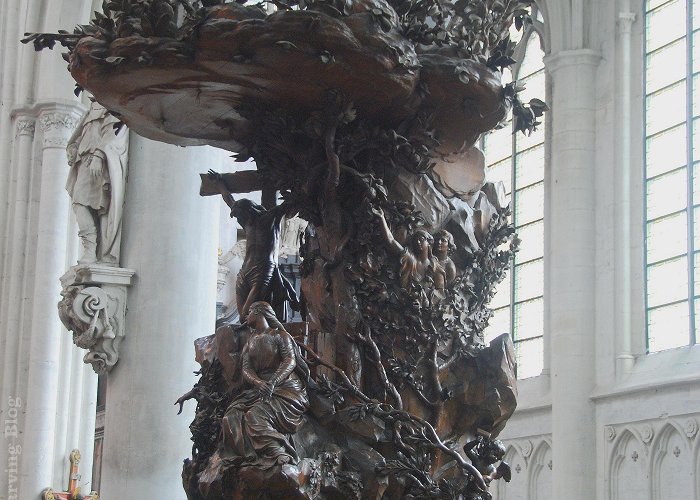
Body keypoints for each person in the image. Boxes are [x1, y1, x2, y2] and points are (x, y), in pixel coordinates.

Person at [221, 301, 309, 468]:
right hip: (260, 389)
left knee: (255, 415)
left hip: (286, 388)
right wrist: (259, 383)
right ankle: (243, 458)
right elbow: (246, 368)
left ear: (259, 312)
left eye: (250, 312)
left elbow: (290, 361)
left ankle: (277, 451)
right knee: (230, 416)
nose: (246, 316)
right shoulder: (251, 341)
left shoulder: (279, 336)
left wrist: (273, 381)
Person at [208, 170, 299, 322]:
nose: (239, 220)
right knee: (243, 316)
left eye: (239, 216)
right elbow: (229, 199)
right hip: (244, 271)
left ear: (249, 211)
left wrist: (296, 185)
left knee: (247, 315)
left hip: (263, 271)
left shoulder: (271, 218)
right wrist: (219, 183)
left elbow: (289, 205)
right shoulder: (247, 221)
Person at [66, 101, 128, 265]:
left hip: (95, 164)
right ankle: (92, 251)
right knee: (82, 204)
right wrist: (73, 149)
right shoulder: (94, 107)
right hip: (84, 162)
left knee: (85, 204)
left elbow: (113, 131)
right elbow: (83, 135)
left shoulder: (109, 103)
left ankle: (91, 251)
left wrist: (99, 156)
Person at [372, 206, 446, 290]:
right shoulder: (410, 259)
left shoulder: (435, 267)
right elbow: (391, 241)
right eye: (415, 241)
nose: (418, 242)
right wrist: (382, 218)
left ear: (429, 243)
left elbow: (440, 294)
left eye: (421, 239)